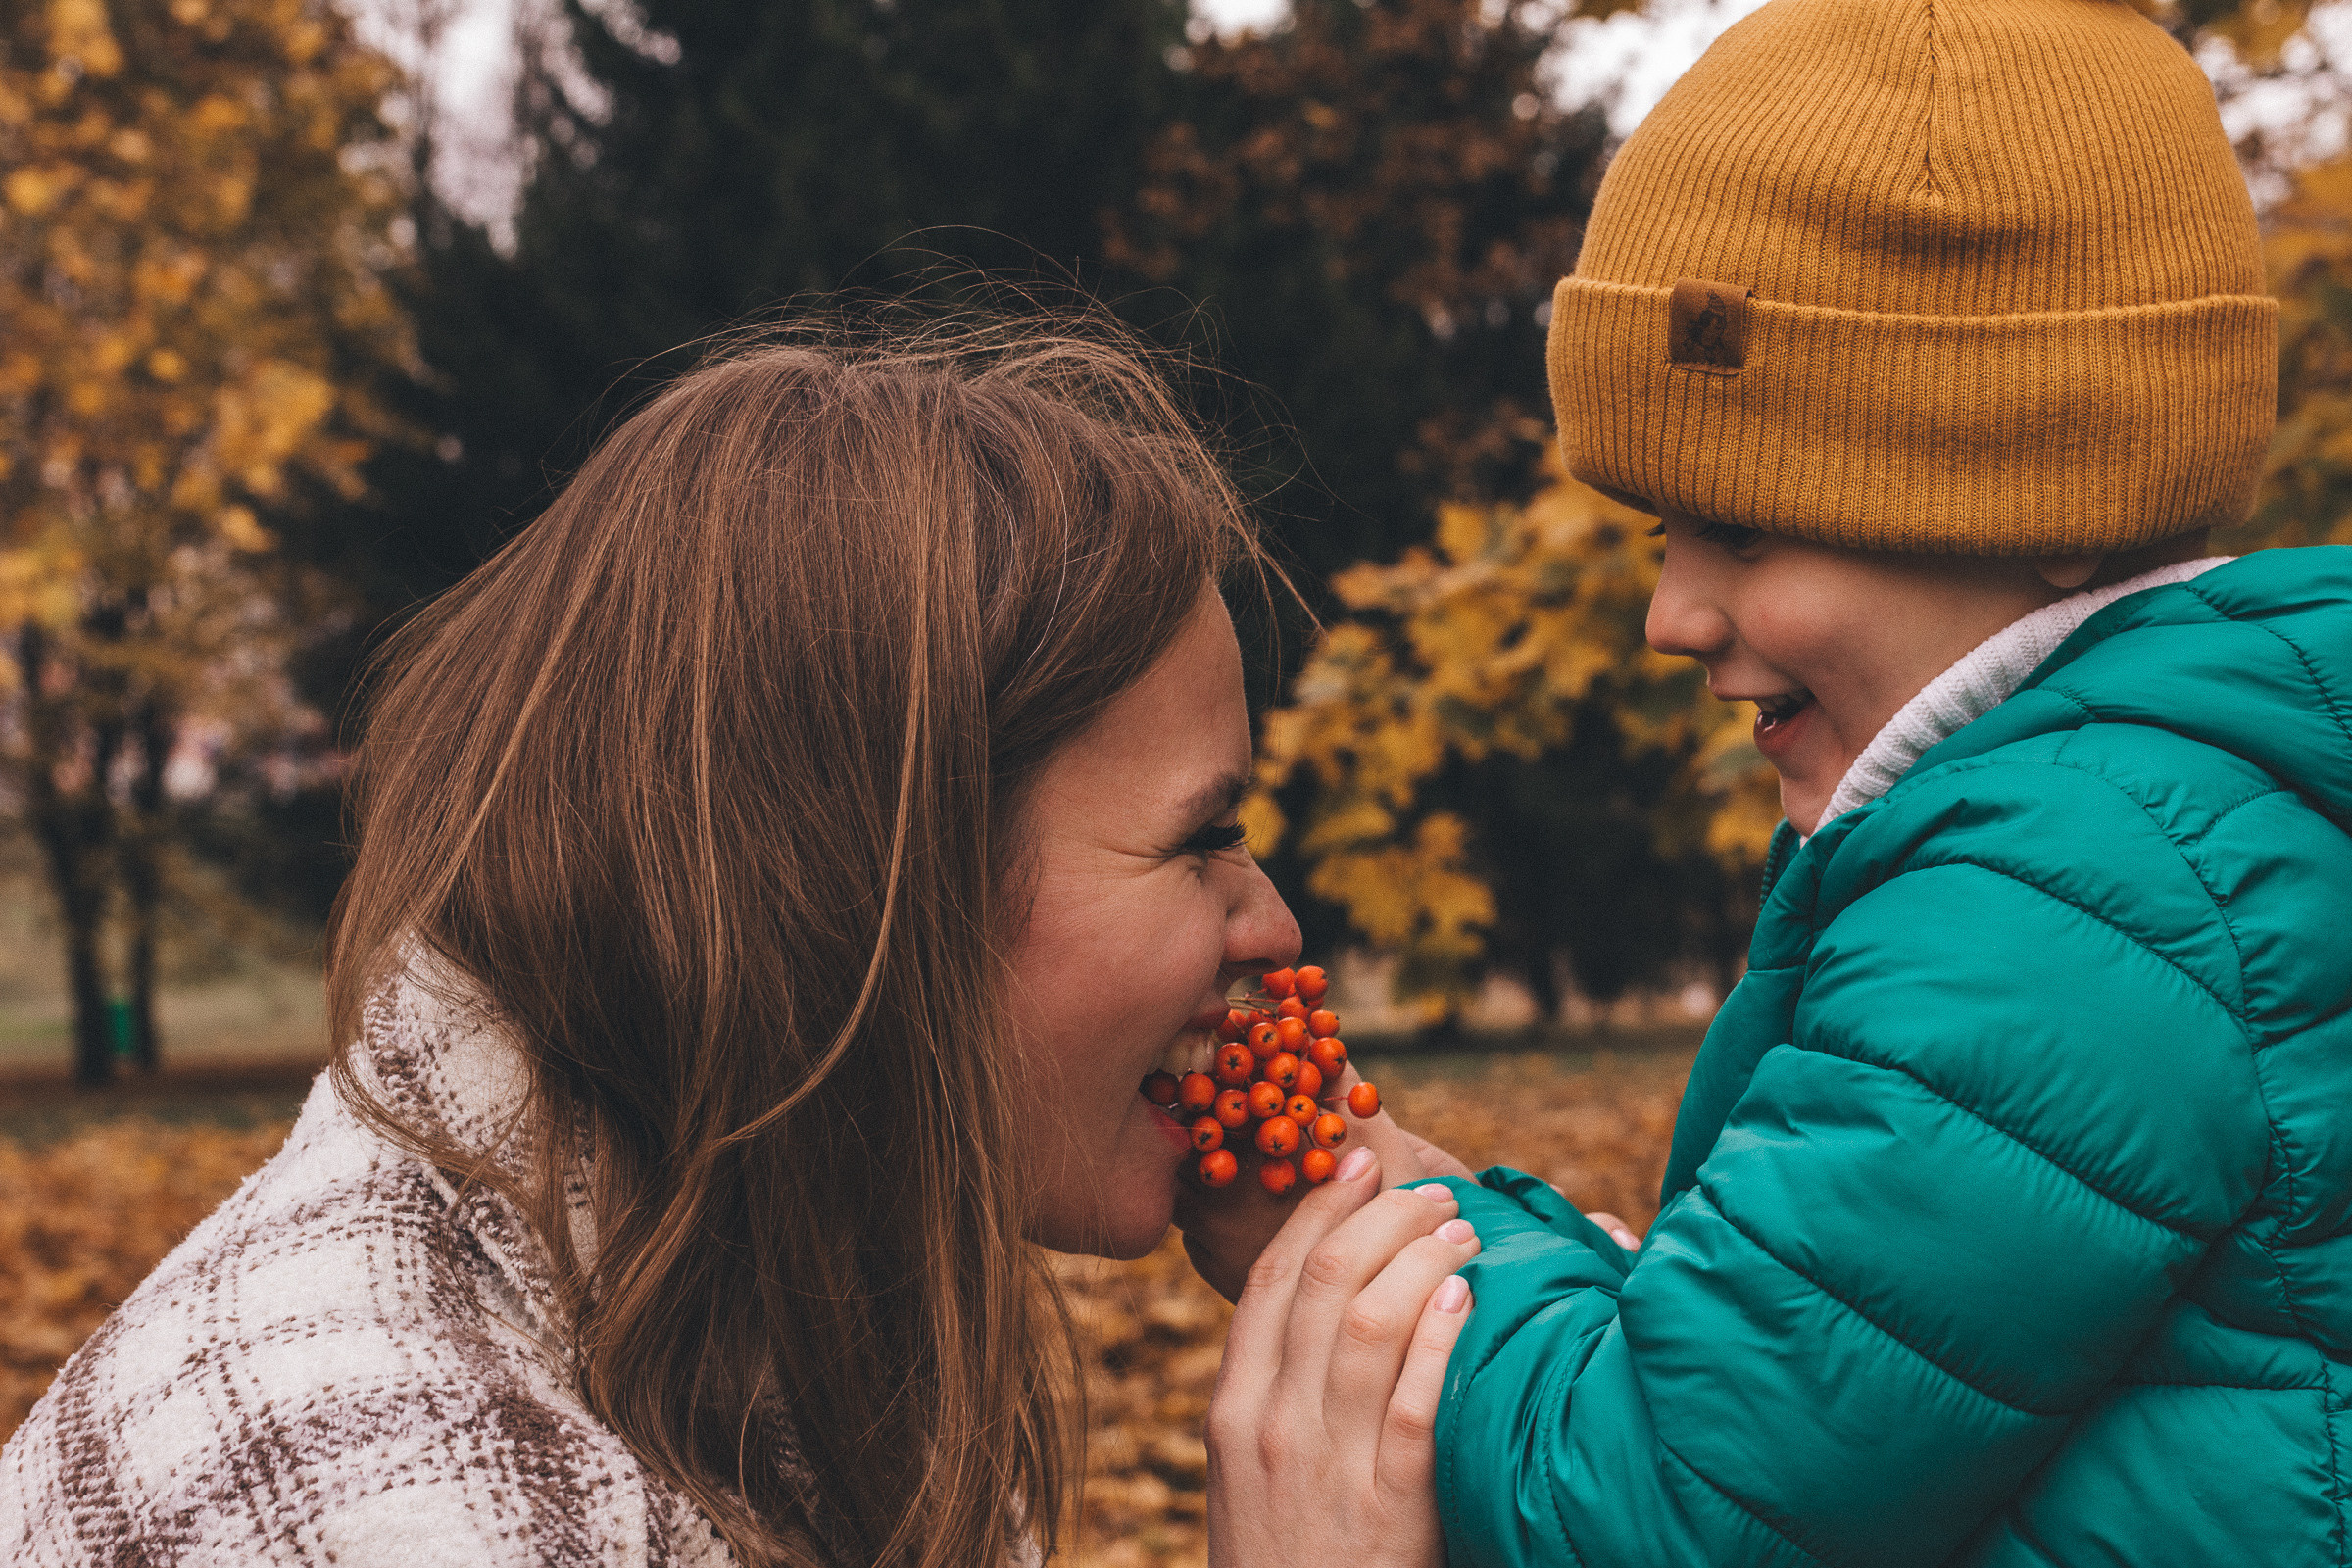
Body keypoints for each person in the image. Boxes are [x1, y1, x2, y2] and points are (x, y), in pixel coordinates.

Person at [0, 320, 1480, 1567]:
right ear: (872, 900)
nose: (1274, 922)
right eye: (1199, 839)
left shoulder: (783, 1314)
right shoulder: (406, 1499)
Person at [1290, 0, 2352, 1563]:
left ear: (2047, 490)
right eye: (1664, 534)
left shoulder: (2067, 895)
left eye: (1741, 533)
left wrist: (1439, 1234)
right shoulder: (2197, 812)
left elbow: (1649, 1515)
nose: (1671, 619)